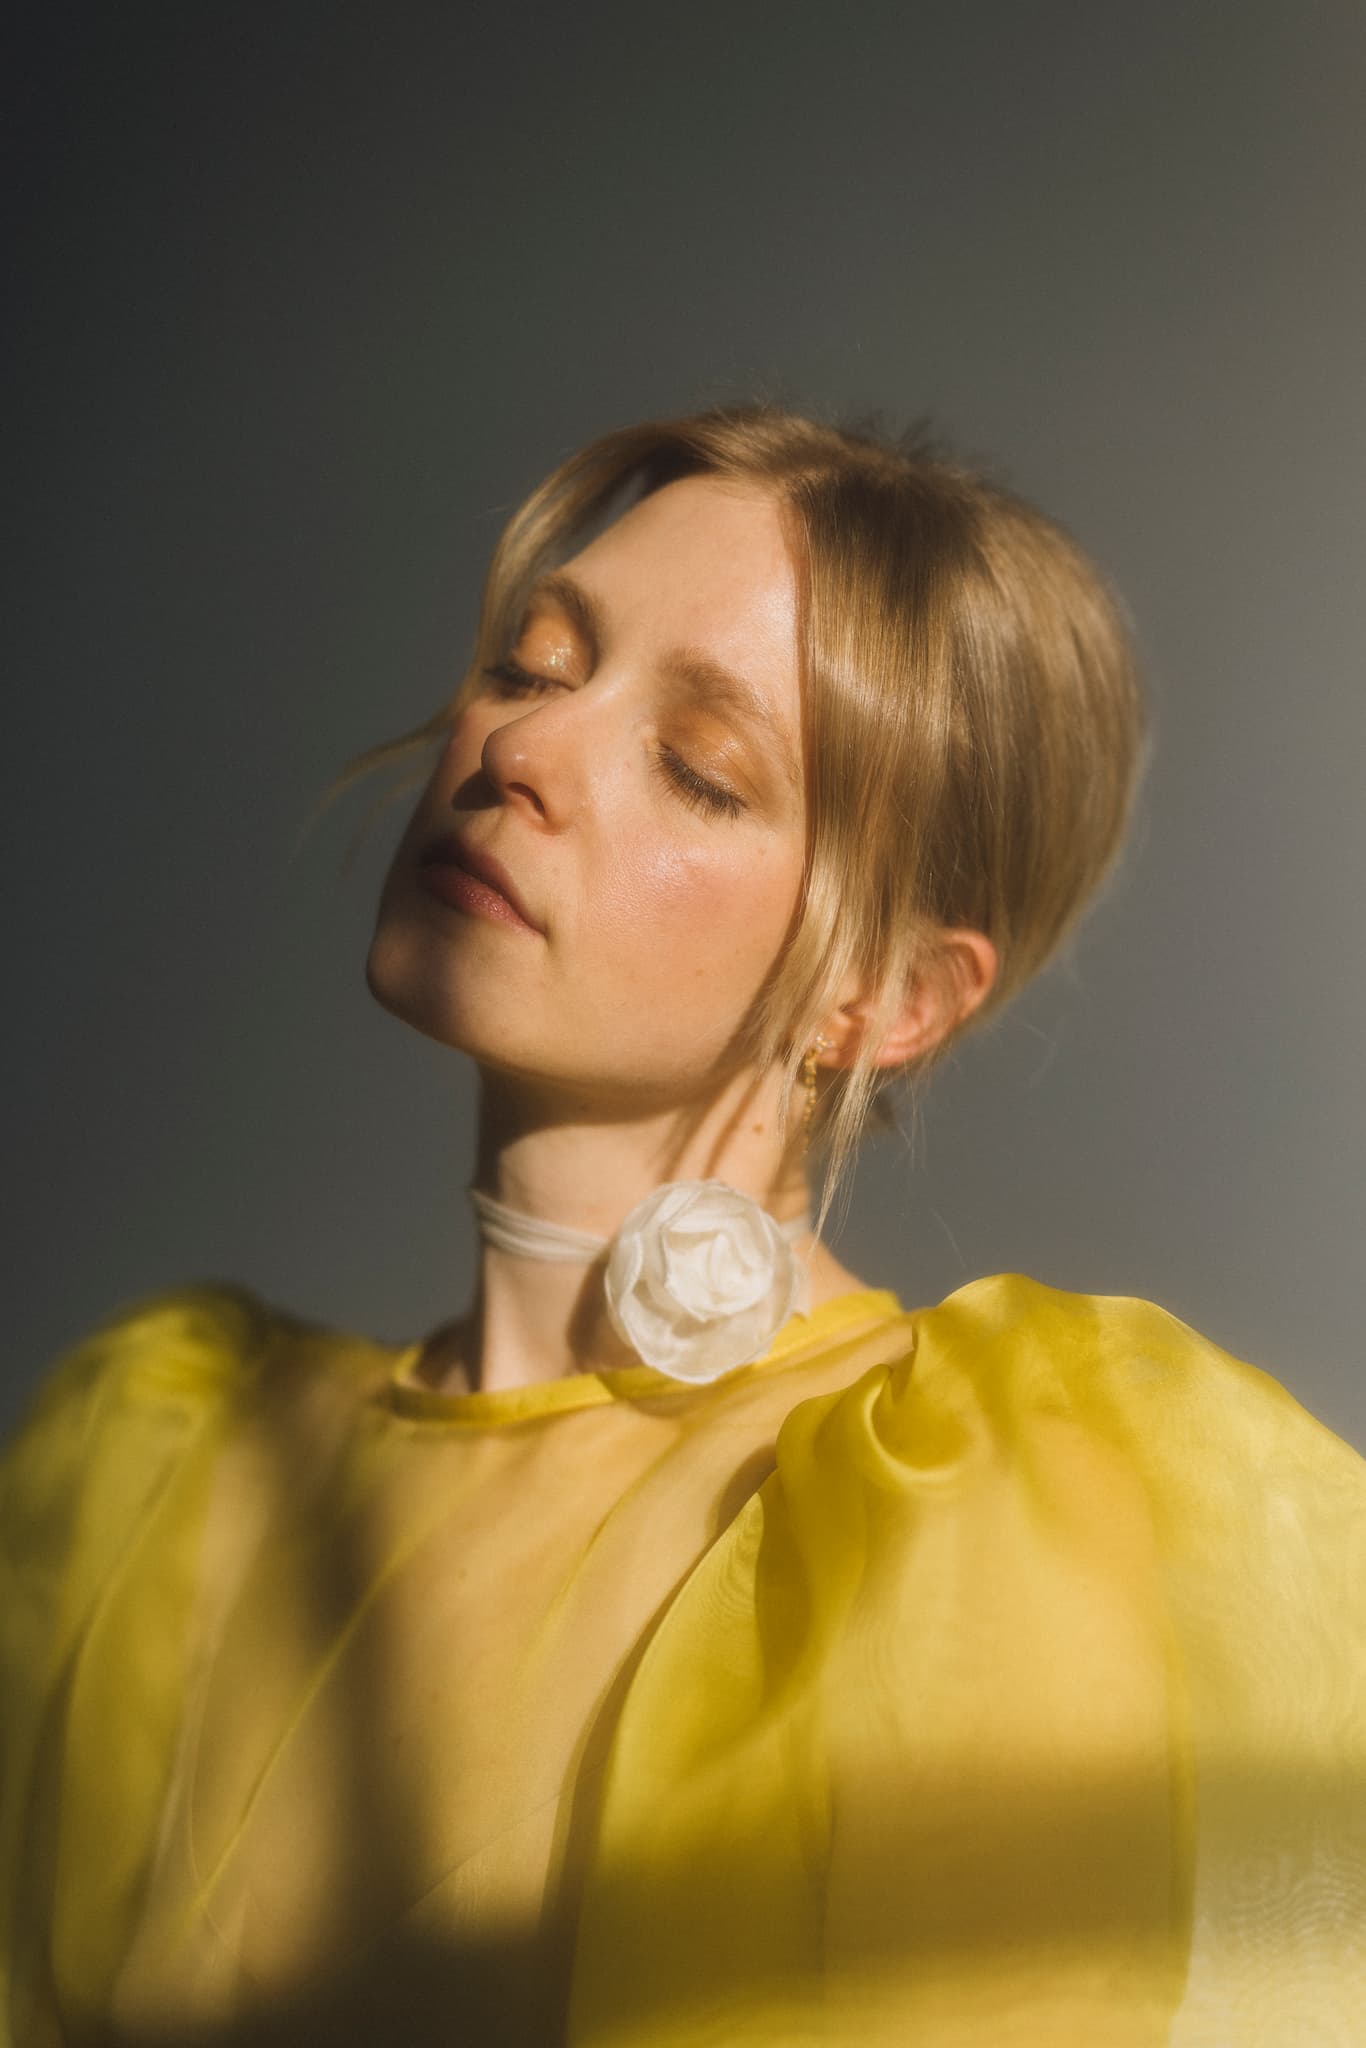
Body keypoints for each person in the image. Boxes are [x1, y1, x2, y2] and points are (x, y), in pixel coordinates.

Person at [1, 404, 1362, 2046]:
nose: (521, 753)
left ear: (888, 995)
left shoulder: (963, 1515)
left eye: (699, 769)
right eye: (532, 661)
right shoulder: (159, 1460)